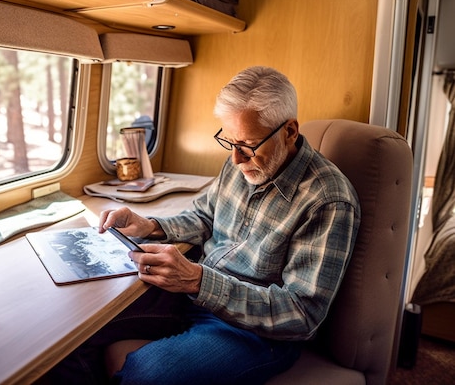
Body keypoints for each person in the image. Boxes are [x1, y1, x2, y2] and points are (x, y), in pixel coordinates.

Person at [48, 66, 360, 385]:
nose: (236, 159)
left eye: (248, 146)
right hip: (193, 293)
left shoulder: (328, 200)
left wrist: (198, 281)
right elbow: (204, 217)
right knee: (68, 337)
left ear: (290, 132)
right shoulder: (242, 162)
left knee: (149, 376)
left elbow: (301, 315)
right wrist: (149, 225)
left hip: (257, 332)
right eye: (229, 142)